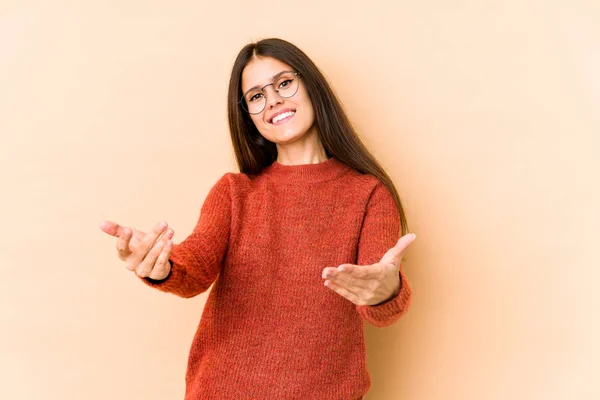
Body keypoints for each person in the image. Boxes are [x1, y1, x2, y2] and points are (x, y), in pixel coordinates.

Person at [100, 37, 416, 400]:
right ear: (248, 118)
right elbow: (195, 267)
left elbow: (380, 298)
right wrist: (161, 266)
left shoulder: (369, 194)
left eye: (284, 83)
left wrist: (384, 290)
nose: (274, 101)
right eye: (256, 96)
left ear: (312, 87)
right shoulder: (236, 192)